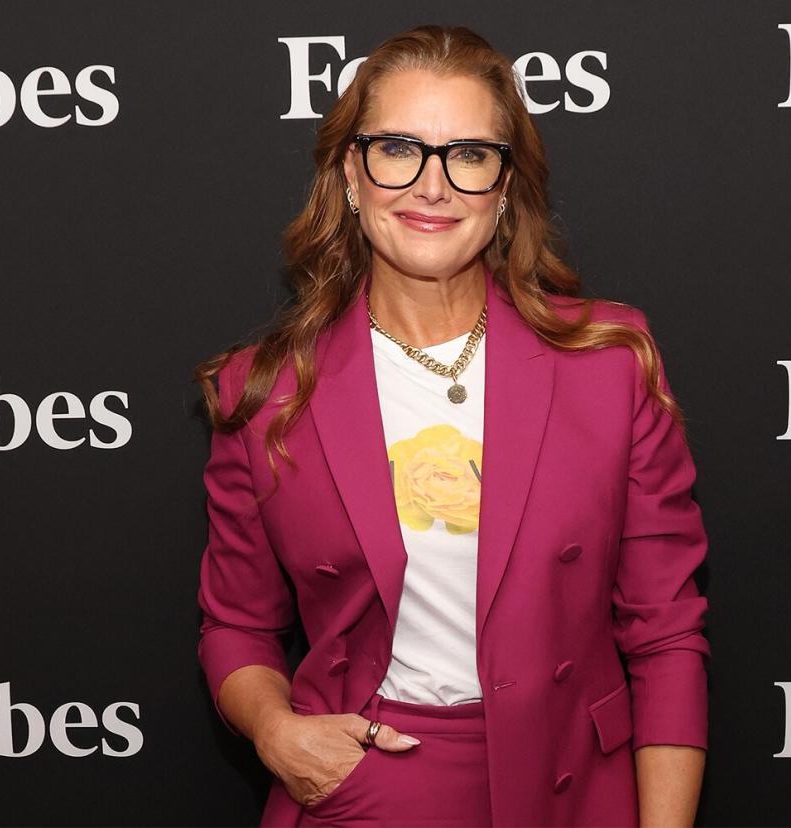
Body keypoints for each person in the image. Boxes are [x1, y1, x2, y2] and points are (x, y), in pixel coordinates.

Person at [193, 23, 710, 827]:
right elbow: (236, 624)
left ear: (505, 189)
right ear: (350, 176)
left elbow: (667, 633)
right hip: (368, 792)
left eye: (469, 155)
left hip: (573, 790)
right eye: (398, 148)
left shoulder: (611, 363)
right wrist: (276, 731)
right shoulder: (264, 394)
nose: (432, 186)